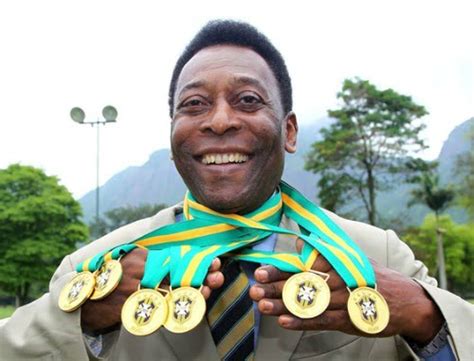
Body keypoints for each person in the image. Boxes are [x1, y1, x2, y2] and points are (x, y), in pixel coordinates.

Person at [0, 20, 472, 361]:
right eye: (194, 104)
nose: (220, 120)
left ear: (288, 131)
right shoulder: (95, 269)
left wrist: (425, 320)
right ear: (173, 137)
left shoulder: (378, 257)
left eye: (247, 100)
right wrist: (83, 321)